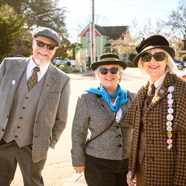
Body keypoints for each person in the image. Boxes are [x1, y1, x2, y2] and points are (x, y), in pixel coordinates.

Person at [0, 27, 70, 186]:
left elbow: (61, 119)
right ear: (33, 43)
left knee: (34, 183)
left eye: (50, 47)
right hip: (2, 141)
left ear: (55, 50)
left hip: (33, 147)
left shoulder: (62, 79)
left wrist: (48, 142)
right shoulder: (8, 65)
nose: (44, 50)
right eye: (40, 44)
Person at [125, 34, 186, 186]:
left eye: (159, 56)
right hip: (142, 172)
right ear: (142, 62)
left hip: (168, 176)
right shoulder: (142, 91)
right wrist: (132, 168)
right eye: (147, 57)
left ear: (167, 60)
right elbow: (136, 136)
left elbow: (184, 144)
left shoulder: (181, 89)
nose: (152, 61)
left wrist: (180, 182)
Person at [71, 53, 136, 186]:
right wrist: (78, 161)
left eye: (114, 70)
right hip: (97, 162)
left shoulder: (133, 98)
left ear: (120, 74)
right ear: (98, 75)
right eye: (103, 70)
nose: (109, 74)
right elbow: (78, 131)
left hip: (126, 163)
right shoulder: (86, 98)